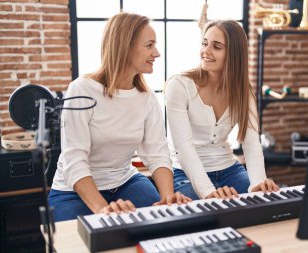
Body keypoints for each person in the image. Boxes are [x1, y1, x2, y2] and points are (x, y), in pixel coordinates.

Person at [49, 12, 190, 222]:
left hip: (126, 182)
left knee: (161, 223)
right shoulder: (81, 89)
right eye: (149, 45)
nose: (157, 53)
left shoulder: (147, 97)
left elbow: (157, 152)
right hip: (73, 191)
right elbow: (74, 161)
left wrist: (168, 196)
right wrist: (102, 209)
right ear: (125, 46)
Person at [165, 20, 279, 200]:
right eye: (204, 43)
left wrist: (258, 182)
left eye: (216, 46)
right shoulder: (179, 85)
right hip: (184, 172)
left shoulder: (243, 90)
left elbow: (251, 142)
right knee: (202, 215)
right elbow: (183, 148)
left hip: (229, 170)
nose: (206, 51)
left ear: (233, 54)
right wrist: (208, 192)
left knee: (261, 202)